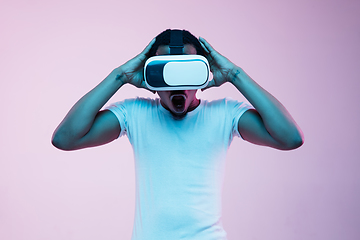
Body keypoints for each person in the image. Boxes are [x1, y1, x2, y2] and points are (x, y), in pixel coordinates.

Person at [52, 29, 304, 240]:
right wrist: (120, 76)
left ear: (203, 75)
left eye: (187, 73)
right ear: (152, 79)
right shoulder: (135, 113)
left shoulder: (225, 114)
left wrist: (234, 75)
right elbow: (65, 138)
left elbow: (290, 137)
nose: (177, 85)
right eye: (167, 74)